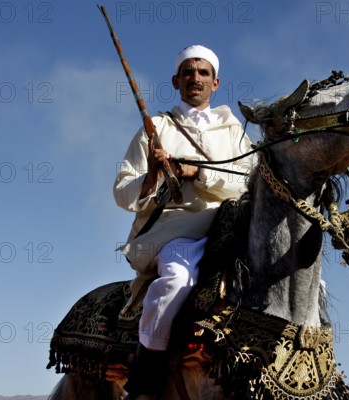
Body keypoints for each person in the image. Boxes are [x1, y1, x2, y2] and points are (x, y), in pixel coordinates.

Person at [113, 44, 253, 399]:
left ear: (216, 82)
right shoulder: (156, 127)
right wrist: (152, 178)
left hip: (231, 229)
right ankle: (145, 380)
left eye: (203, 73)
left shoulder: (234, 131)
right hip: (175, 233)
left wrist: (198, 172)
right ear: (176, 81)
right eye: (189, 73)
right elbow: (122, 192)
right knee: (176, 280)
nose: (196, 78)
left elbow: (249, 183)